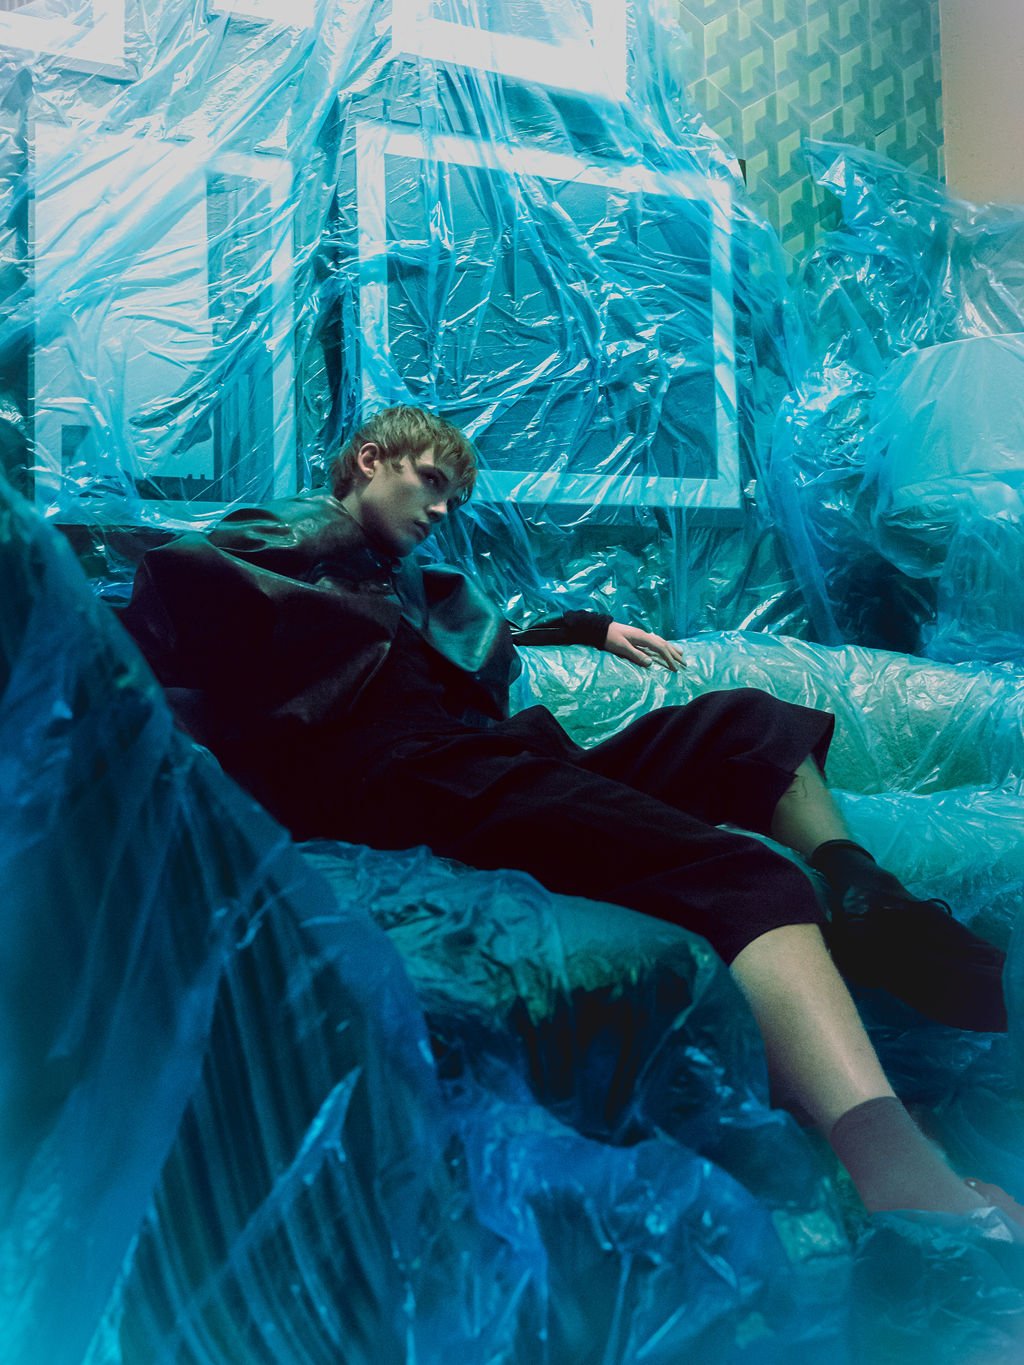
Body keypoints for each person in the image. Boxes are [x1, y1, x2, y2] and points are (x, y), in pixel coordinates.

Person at [122, 404, 1017, 1227]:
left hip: (494, 763)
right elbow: (171, 592)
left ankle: (864, 888)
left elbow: (468, 639)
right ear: (369, 459)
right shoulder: (281, 540)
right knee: (749, 875)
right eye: (430, 482)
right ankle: (900, 1175)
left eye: (455, 498)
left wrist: (589, 629)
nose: (442, 510)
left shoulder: (406, 585)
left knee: (745, 724)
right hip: (409, 780)